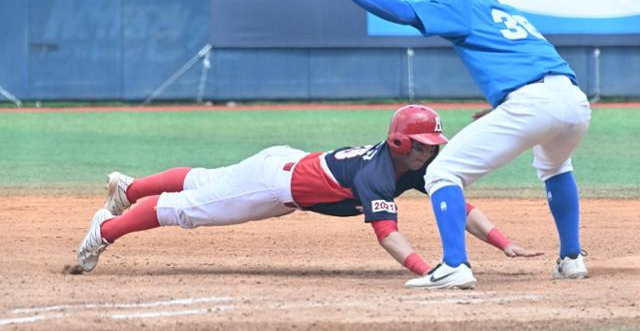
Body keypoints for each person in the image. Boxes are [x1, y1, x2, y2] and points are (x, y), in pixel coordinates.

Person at [322, 0, 591, 289]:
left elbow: (404, 13)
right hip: (573, 100)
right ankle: (571, 259)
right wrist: (504, 106)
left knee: (441, 172)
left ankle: (454, 266)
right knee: (556, 167)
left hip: (532, 103)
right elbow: (535, 66)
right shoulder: (509, 12)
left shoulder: (464, 5)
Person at [77, 105, 542, 283]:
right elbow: (388, 235)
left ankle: (128, 187)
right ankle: (107, 228)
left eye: (433, 146)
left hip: (286, 164)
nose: (430, 152)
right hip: (274, 184)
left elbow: (459, 205)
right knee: (190, 208)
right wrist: (428, 269)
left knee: (204, 179)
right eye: (423, 145)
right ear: (401, 143)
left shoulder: (418, 166)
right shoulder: (378, 172)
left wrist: (502, 242)